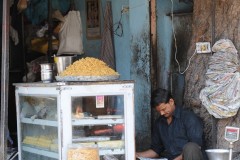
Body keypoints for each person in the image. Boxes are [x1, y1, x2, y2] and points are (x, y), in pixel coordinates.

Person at [136, 88, 207, 160]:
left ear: (171, 101)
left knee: (191, 147)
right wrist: (137, 154)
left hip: (189, 157)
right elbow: (156, 150)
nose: (161, 113)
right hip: (169, 158)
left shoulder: (188, 117)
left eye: (163, 109)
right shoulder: (159, 123)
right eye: (159, 111)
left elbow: (196, 147)